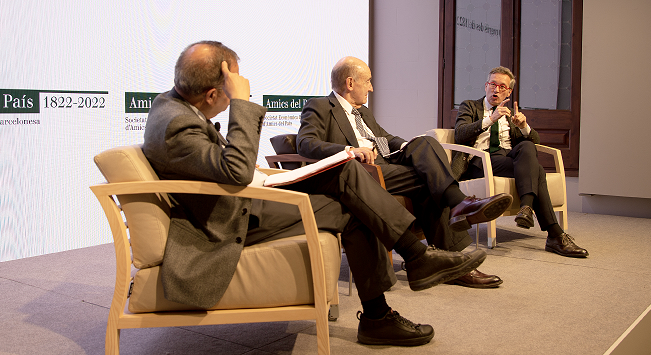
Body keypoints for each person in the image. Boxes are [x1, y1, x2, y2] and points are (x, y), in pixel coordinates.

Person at [143, 41, 488, 347]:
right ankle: (389, 299)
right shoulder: (176, 123)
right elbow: (237, 170)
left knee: (352, 176)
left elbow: (225, 169)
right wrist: (243, 104)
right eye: (232, 86)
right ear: (212, 94)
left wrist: (400, 145)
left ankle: (405, 276)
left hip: (246, 198)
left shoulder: (173, 107)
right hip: (227, 221)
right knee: (354, 189)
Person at [296, 56, 512, 289]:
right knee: (429, 181)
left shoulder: (364, 113)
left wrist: (411, 145)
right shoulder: (319, 106)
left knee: (425, 144)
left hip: (386, 165)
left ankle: (453, 249)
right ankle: (460, 215)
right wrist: (350, 150)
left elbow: (386, 139)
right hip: (361, 173)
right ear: (350, 83)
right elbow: (305, 143)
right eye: (367, 81)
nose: (371, 87)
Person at [452, 66, 588, 258]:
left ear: (509, 91)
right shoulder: (470, 106)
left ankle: (528, 211)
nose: (496, 90)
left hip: (505, 159)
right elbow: (460, 134)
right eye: (493, 84)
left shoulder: (510, 114)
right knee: (538, 171)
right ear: (486, 86)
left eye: (502, 86)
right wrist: (491, 119)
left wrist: (524, 127)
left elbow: (534, 142)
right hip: (479, 162)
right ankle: (554, 233)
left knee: (528, 147)